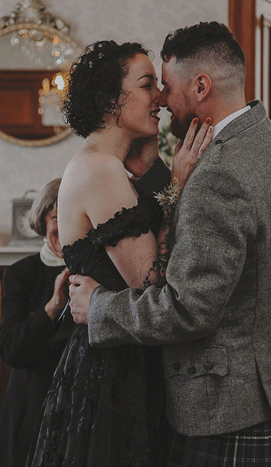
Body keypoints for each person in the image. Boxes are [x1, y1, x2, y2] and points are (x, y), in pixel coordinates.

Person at [67, 22, 271, 466]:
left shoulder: (219, 173)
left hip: (223, 414)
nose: (160, 98)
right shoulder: (263, 139)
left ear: (200, 86)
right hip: (261, 398)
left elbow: (187, 309)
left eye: (167, 86)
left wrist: (98, 307)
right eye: (150, 86)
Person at [26, 40, 208, 466]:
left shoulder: (107, 164)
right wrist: (179, 187)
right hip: (114, 369)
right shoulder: (100, 169)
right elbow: (151, 283)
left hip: (117, 354)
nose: (160, 98)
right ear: (111, 99)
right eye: (147, 85)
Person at [0, 179, 73, 466]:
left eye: (74, 215)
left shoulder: (97, 271)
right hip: (32, 406)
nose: (66, 226)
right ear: (42, 221)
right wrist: (53, 306)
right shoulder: (21, 273)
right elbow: (12, 351)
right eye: (57, 217)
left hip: (79, 406)